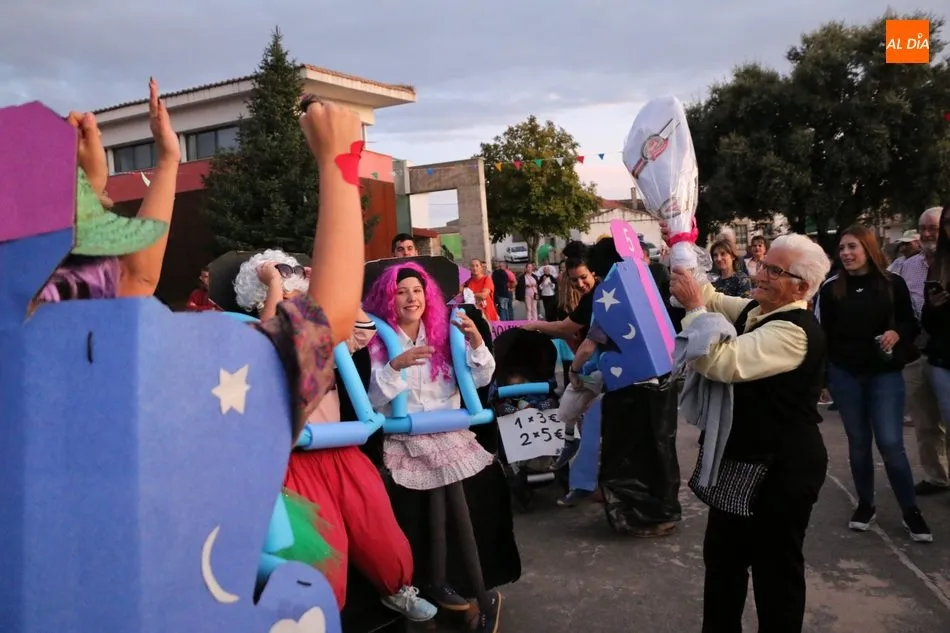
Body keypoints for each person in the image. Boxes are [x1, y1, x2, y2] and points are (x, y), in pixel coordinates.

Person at [669, 225, 831, 633]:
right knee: (723, 560)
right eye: (764, 265)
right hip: (744, 460)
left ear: (801, 287)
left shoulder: (792, 331)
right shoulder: (758, 311)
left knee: (775, 572)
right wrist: (682, 250)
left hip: (782, 469)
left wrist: (693, 309)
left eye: (774, 271)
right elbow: (710, 296)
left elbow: (719, 362)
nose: (760, 274)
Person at [363, 262, 504, 633]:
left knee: (457, 509)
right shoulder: (377, 340)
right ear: (388, 299)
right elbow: (372, 400)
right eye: (401, 292)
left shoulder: (447, 332)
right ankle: (435, 586)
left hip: (448, 434)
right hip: (403, 440)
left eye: (417, 290)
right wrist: (395, 365)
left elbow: (480, 379)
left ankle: (479, 593)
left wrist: (477, 342)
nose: (411, 298)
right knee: (419, 520)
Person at [814, 225, 931, 542]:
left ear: (868, 248)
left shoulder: (893, 284)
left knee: (891, 443)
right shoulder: (831, 289)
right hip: (845, 376)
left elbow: (909, 322)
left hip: (885, 374)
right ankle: (866, 504)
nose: (846, 253)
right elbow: (823, 337)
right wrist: (823, 379)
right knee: (859, 443)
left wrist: (897, 333)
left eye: (852, 246)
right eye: (842, 248)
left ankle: (911, 511)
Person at [897, 207, 949, 495]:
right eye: (923, 228)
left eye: (934, 228)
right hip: (917, 354)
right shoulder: (908, 266)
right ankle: (936, 476)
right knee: (925, 422)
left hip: (946, 354)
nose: (928, 234)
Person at [921, 204, 950, 474]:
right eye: (947, 222)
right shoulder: (939, 265)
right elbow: (928, 322)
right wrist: (934, 306)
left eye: (936, 227)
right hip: (941, 358)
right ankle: (939, 477)